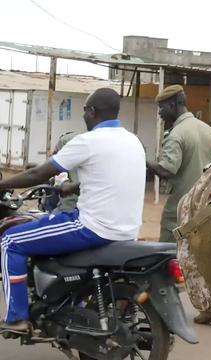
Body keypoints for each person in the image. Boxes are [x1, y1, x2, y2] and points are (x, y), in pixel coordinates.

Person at [0, 88, 146, 333]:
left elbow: (39, 173)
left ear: (92, 111)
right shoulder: (133, 140)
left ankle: (16, 318)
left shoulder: (88, 141)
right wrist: (75, 187)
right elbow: (112, 176)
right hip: (126, 230)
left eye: (84, 112)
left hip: (92, 227)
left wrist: (3, 184)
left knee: (11, 241)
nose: (84, 117)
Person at [145, 85, 211, 324]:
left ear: (172, 105)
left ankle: (164, 308)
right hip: (205, 205)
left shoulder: (176, 134)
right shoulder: (207, 130)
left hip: (180, 206)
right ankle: (209, 307)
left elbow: (167, 169)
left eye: (161, 108)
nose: (159, 114)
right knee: (202, 256)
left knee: (166, 255)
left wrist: (144, 162)